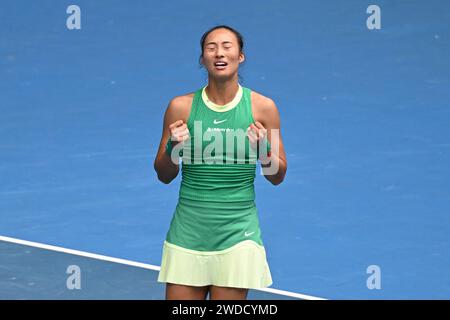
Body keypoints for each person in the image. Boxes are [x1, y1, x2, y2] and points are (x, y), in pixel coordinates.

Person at [153, 25, 287, 300]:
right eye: (211, 47)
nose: (219, 53)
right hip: (188, 231)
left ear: (241, 56)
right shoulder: (181, 107)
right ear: (202, 59)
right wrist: (174, 147)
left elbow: (276, 175)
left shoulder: (263, 108)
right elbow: (164, 174)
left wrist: (263, 151)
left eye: (227, 46)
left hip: (238, 232)